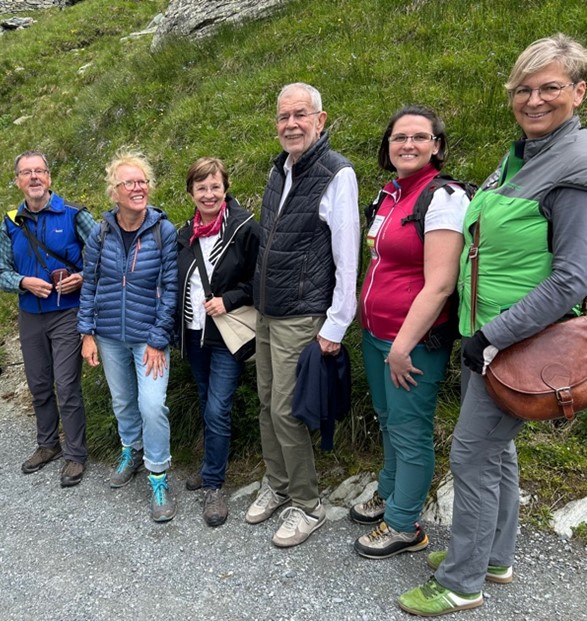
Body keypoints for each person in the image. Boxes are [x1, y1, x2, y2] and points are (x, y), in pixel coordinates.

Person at [399, 34, 587, 616]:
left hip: (513, 340)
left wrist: (489, 336)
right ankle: (494, 557)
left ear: (579, 93)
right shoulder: (521, 156)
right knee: (496, 453)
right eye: (523, 89)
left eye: (550, 87)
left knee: (472, 456)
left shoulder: (576, 168)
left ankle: (461, 581)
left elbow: (573, 280)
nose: (534, 100)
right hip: (488, 340)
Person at [350, 106, 470, 559]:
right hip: (377, 334)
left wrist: (402, 347)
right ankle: (390, 492)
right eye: (399, 137)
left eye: (420, 137)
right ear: (388, 146)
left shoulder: (443, 198)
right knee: (388, 421)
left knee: (410, 430)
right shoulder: (389, 194)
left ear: (436, 145)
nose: (408, 145)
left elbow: (439, 283)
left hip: (413, 342)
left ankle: (404, 525)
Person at [246, 82, 361, 547]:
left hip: (304, 314)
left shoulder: (337, 173)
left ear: (320, 119)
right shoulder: (280, 169)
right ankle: (277, 484)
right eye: (282, 117)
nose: (290, 124)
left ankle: (308, 504)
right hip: (269, 313)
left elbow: (348, 255)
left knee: (286, 412)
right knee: (266, 402)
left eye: (300, 115)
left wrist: (336, 323)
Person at [78, 149, 179, 522]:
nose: (138, 188)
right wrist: (86, 333)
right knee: (123, 402)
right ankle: (131, 449)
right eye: (129, 183)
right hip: (108, 334)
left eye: (143, 181)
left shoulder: (162, 230)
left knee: (152, 405)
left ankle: (157, 474)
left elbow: (171, 288)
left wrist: (157, 338)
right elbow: (89, 283)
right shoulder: (100, 232)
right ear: (114, 191)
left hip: (149, 337)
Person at [0, 150, 95, 488]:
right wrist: (22, 282)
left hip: (68, 312)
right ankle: (47, 444)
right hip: (30, 315)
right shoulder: (10, 223)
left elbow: (104, 253)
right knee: (38, 384)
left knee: (66, 386)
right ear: (18, 181)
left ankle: (76, 454)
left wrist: (81, 275)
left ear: (49, 178)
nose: (34, 177)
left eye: (40, 171)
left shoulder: (74, 215)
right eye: (26, 173)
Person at [176, 157, 260, 527]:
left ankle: (214, 485)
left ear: (225, 188)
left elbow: (262, 280)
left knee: (217, 408)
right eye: (201, 187)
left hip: (226, 335)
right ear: (191, 192)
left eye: (214, 187)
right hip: (194, 333)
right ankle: (212, 464)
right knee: (205, 399)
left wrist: (230, 299)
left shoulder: (244, 228)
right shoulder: (184, 234)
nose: (208, 194)